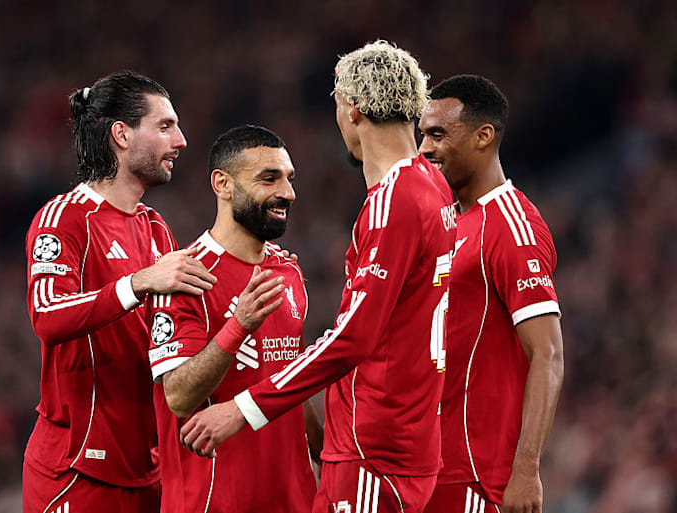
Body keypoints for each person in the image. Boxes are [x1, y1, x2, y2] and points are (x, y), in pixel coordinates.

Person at [180, 41, 456, 513]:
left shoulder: (396, 199)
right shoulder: (434, 185)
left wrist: (244, 409)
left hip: (375, 447)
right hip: (405, 439)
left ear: (351, 110)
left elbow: (354, 337)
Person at [21, 70, 218, 513]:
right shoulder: (64, 219)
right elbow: (48, 317)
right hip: (77, 469)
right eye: (165, 126)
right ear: (121, 135)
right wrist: (138, 282)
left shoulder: (155, 228)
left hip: (147, 471)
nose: (181, 140)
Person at [147, 125, 318, 512]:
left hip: (294, 500)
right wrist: (237, 326)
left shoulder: (288, 272)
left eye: (289, 179)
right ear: (222, 184)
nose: (287, 193)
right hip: (212, 501)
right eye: (268, 178)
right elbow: (178, 397)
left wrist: (324, 452)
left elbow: (285, 380)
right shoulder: (184, 275)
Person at [417, 75, 564, 513]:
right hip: (432, 467)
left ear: (484, 136)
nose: (424, 148)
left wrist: (526, 470)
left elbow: (548, 354)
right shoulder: (450, 223)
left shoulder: (511, 225)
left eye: (438, 134)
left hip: (480, 476)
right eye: (423, 134)